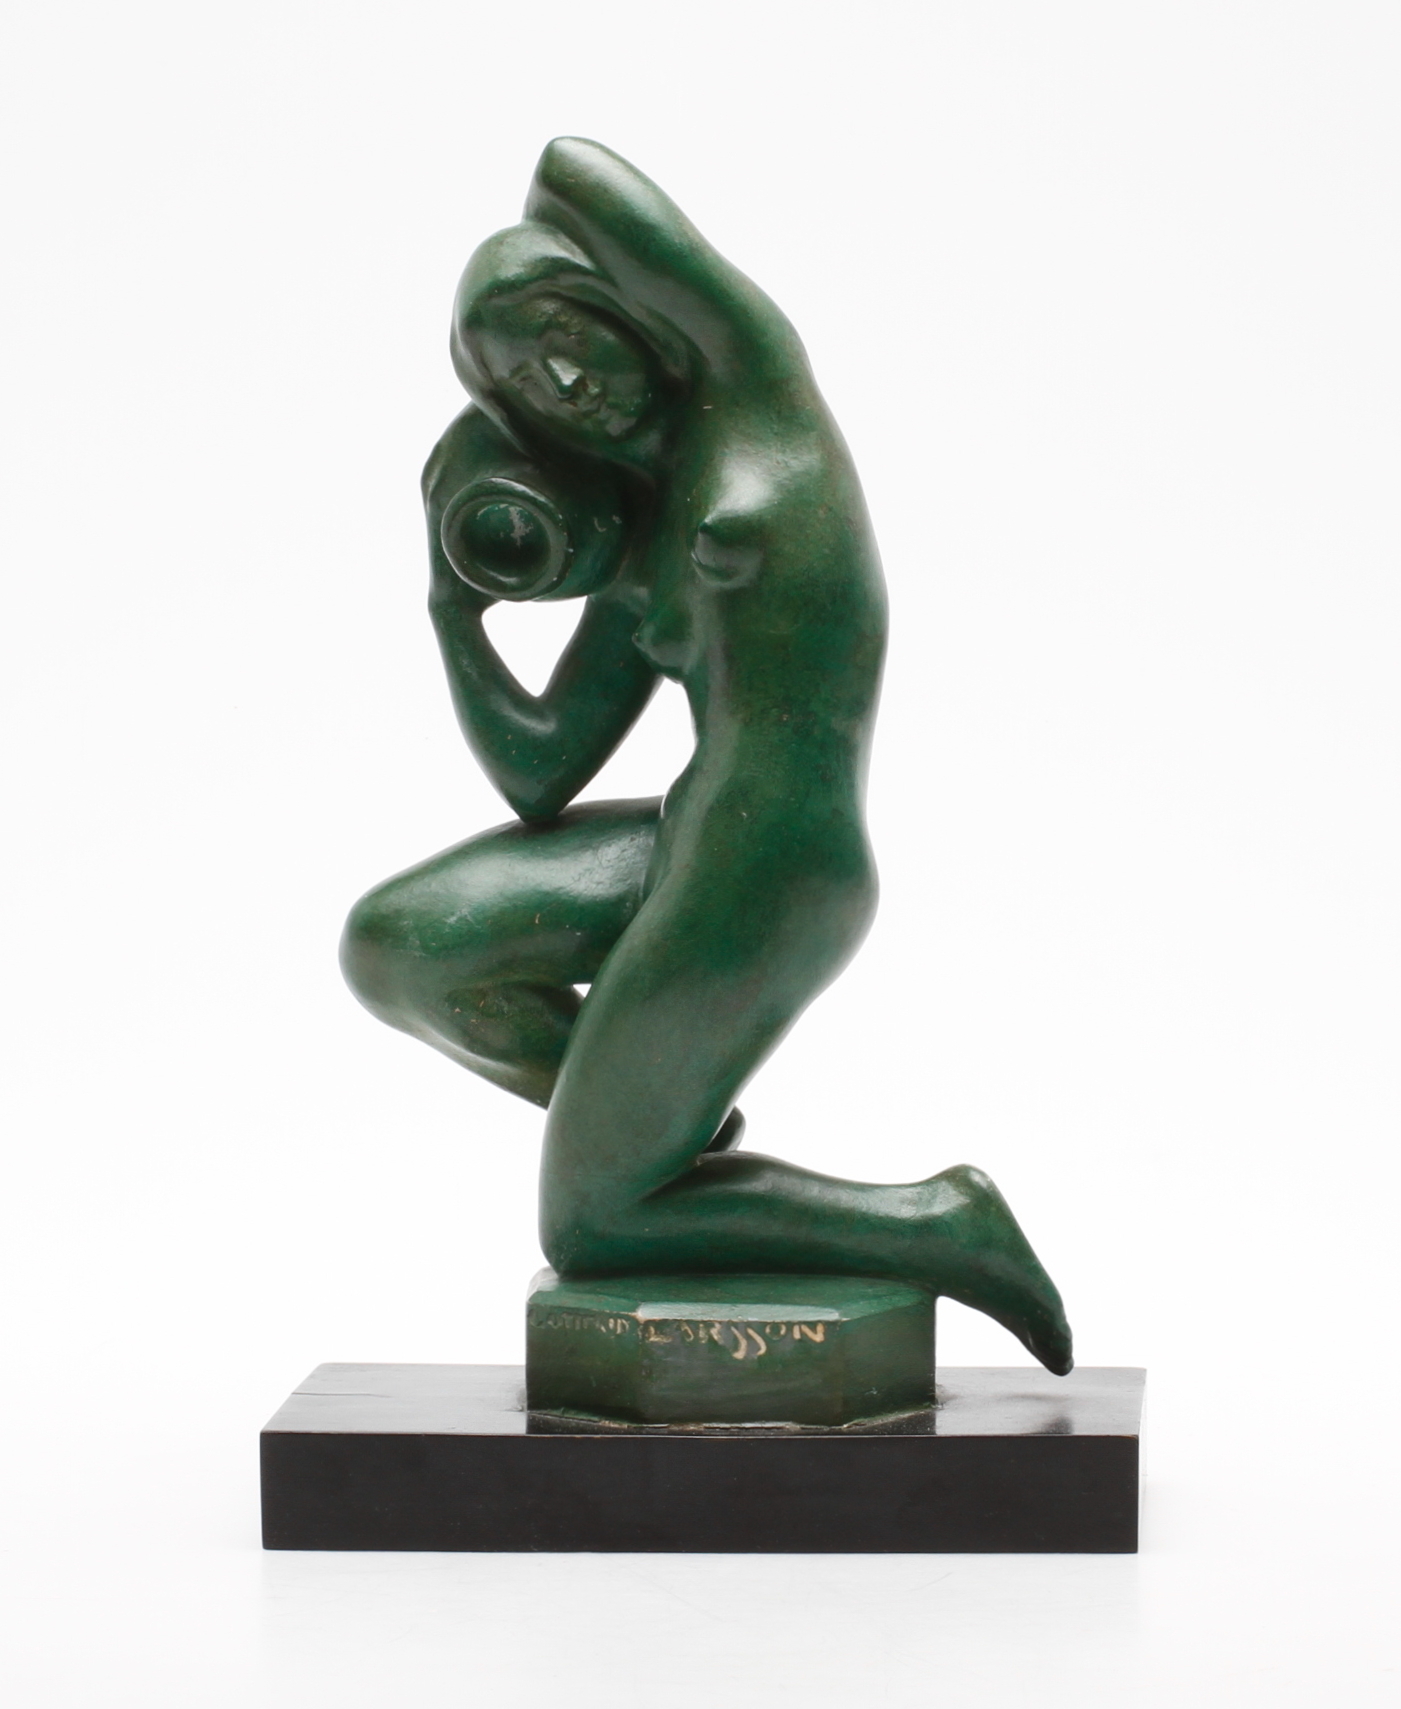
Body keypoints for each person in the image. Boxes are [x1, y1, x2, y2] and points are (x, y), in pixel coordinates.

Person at [341, 138, 1073, 1374]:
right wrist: (451, 602)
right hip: (690, 836)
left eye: (560, 333)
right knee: (400, 945)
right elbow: (537, 770)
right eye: (530, 386)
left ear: (626, 306)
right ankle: (649, 1107)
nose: (566, 379)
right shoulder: (641, 547)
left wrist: (493, 285)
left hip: (780, 860)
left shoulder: (757, 390)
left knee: (591, 1222)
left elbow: (572, 167)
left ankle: (937, 1220)